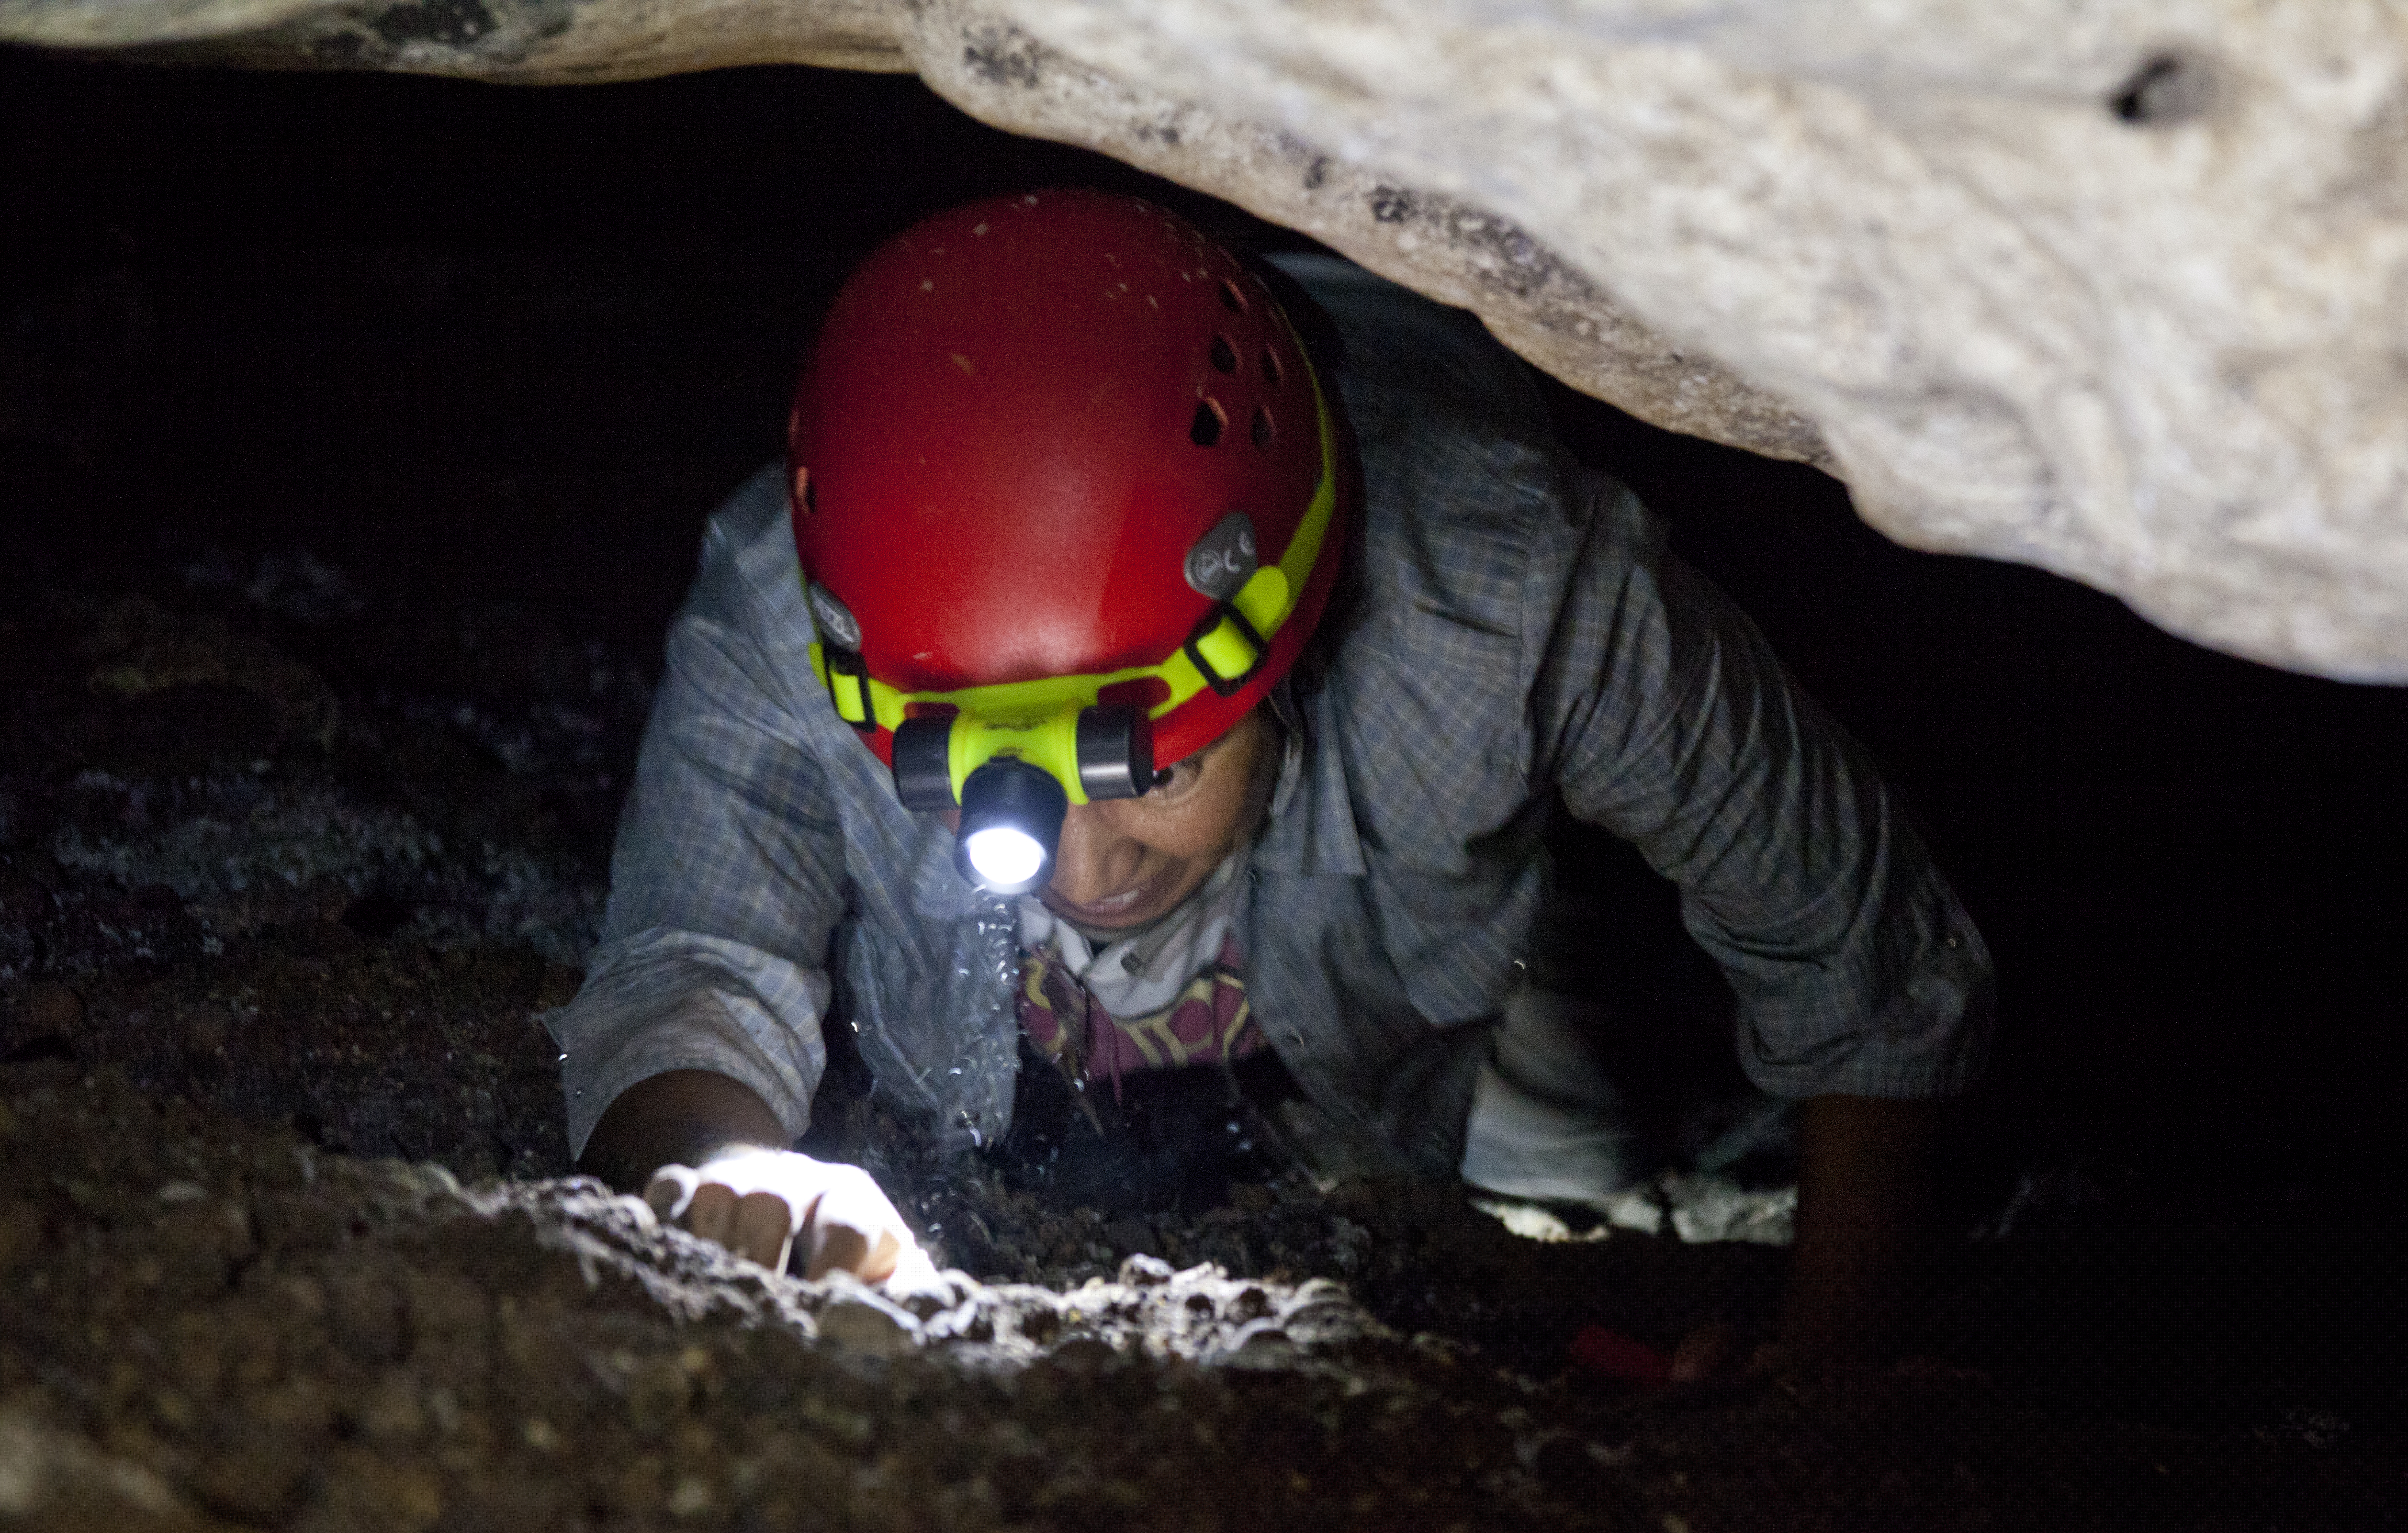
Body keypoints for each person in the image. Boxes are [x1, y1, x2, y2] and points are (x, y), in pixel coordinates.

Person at [550, 190, 1993, 1365]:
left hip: (1429, 937)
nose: (1083, 868)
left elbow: (1860, 945)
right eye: (997, 788)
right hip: (1073, 986)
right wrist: (728, 1171)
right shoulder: (784, 602)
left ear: (1286, 645)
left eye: (1155, 762)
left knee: (1568, 1164)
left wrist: (1828, 1375)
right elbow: (690, 962)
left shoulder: (1504, 587)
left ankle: (1544, 1052)